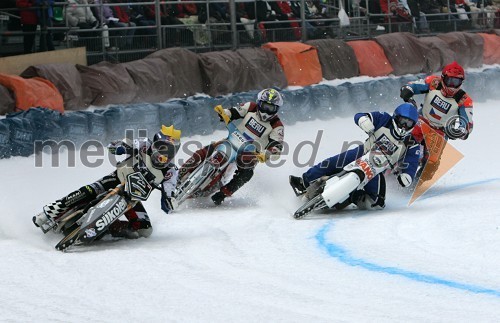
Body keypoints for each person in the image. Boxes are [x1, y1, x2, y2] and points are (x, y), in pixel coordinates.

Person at [33, 125, 181, 239]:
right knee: (89, 190)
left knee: (145, 230)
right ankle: (48, 212)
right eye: (162, 148)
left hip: (132, 198)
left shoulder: (171, 171)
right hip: (116, 179)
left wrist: (170, 201)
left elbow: (169, 195)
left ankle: (108, 231)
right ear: (154, 144)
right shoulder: (143, 144)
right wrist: (120, 147)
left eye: (170, 151)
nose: (164, 155)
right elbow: (114, 145)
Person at [290, 103, 420, 210]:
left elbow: (412, 162)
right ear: (396, 117)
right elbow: (360, 116)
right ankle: (304, 182)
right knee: (330, 163)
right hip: (361, 152)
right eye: (402, 121)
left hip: (377, 170)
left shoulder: (412, 143)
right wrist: (363, 120)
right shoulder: (384, 119)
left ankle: (354, 196)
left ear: (413, 126)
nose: (404, 126)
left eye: (408, 123)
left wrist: (407, 175)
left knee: (376, 203)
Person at [178, 88, 285, 206]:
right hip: (232, 139)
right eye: (264, 106)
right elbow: (235, 111)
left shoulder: (277, 127)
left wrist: (268, 154)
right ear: (259, 103)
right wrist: (224, 113)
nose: (266, 111)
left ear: (277, 110)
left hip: (251, 153)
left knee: (246, 174)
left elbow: (277, 148)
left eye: (271, 108)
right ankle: (180, 174)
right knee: (206, 150)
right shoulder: (251, 107)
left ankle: (223, 194)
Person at [399, 61, 473, 180]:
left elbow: (467, 123)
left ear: (461, 82)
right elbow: (413, 86)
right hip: (421, 120)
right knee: (404, 139)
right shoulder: (433, 82)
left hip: (441, 131)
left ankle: (414, 184)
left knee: (431, 165)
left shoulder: (464, 100)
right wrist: (408, 90)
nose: (452, 86)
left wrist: (461, 131)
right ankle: (388, 160)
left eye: (456, 82)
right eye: (450, 81)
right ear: (443, 78)